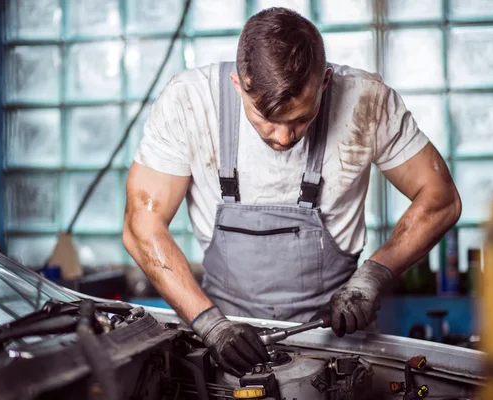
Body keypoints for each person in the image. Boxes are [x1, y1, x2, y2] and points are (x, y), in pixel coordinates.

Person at [123, 7, 461, 377]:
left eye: (302, 118)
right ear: (239, 85)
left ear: (326, 81)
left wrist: (372, 278)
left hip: (337, 344)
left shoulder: (368, 101)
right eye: (266, 119)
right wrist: (210, 325)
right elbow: (142, 224)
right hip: (226, 345)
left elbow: (440, 199)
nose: (284, 138)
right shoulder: (189, 103)